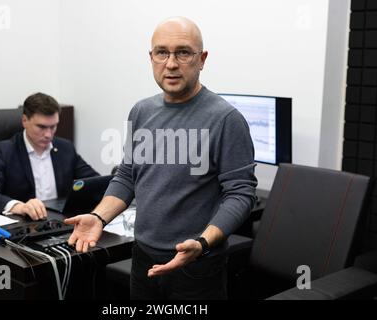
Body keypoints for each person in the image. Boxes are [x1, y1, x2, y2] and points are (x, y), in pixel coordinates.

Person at [65, 17, 257, 299]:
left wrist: (202, 243)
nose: (171, 63)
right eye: (162, 52)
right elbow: (127, 176)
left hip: (197, 265)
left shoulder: (226, 119)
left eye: (183, 52)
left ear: (202, 59)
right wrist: (98, 217)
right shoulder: (141, 111)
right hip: (142, 257)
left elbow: (241, 193)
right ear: (151, 57)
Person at [0, 92, 99, 220]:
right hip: (24, 224)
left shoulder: (65, 148)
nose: (48, 134)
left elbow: (94, 181)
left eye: (53, 127)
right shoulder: (5, 151)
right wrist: (20, 207)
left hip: (59, 221)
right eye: (41, 127)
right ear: (25, 120)